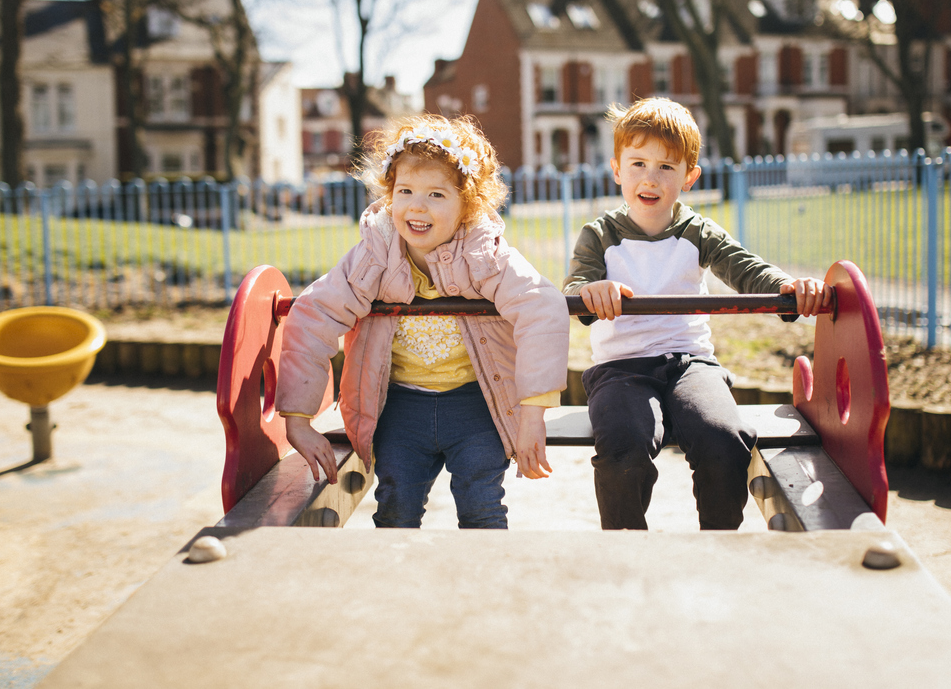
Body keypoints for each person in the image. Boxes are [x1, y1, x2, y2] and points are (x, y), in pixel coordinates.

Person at [275, 115, 568, 529]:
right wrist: (298, 420)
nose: (416, 205)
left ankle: (484, 590)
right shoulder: (376, 255)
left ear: (468, 204)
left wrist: (533, 413)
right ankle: (400, 589)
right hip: (401, 408)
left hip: (475, 405)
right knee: (396, 507)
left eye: (436, 194)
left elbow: (542, 307)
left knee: (482, 504)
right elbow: (314, 313)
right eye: (405, 191)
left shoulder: (485, 254)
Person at [563, 98, 831, 531]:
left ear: (689, 176)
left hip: (690, 364)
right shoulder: (600, 235)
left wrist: (786, 287)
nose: (649, 178)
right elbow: (575, 290)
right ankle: (625, 544)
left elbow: (744, 267)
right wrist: (592, 291)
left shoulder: (697, 232)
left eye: (666, 167)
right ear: (616, 169)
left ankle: (718, 542)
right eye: (637, 164)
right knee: (623, 448)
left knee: (724, 438)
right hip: (620, 370)